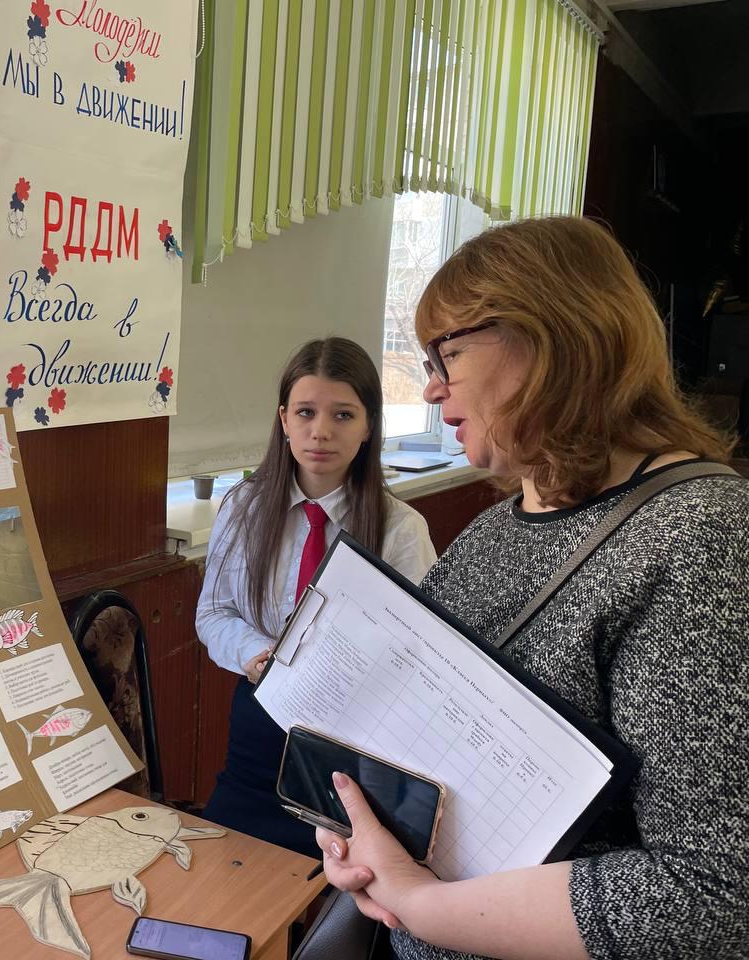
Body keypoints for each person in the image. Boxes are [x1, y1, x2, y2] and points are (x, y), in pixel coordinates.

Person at [316, 216, 749, 959]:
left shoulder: (702, 536)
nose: (432, 386)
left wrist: (422, 905)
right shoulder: (494, 529)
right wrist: (360, 831)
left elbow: (714, 892)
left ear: (553, 337)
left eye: (449, 353)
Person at [197, 337, 437, 856]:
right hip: (259, 729)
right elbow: (213, 612)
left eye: (343, 415)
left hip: (352, 743)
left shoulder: (401, 529)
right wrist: (255, 654)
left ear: (369, 426)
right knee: (229, 865)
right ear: (284, 419)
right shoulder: (242, 507)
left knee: (332, 882)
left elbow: (418, 655)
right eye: (305, 412)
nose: (321, 431)